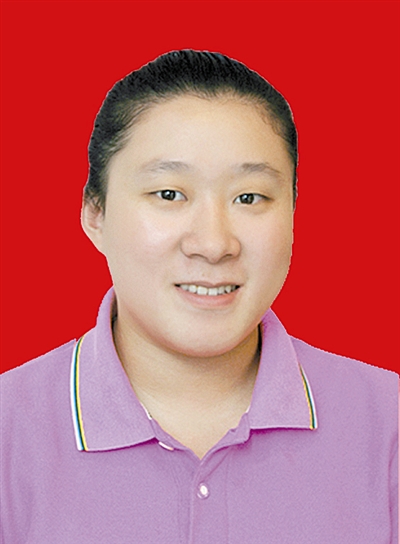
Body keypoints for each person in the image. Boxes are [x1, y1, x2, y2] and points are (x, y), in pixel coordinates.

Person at [1, 50, 397, 543]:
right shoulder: (10, 430)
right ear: (94, 213)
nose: (213, 244)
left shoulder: (387, 426)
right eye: (169, 194)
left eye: (249, 197)